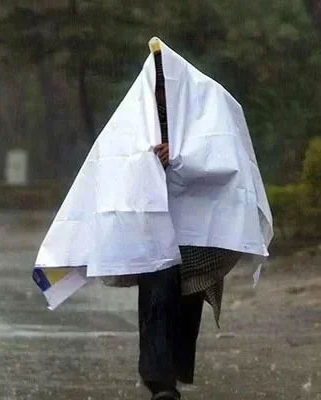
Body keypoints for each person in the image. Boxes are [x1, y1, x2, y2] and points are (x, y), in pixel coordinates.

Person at [32, 38, 273, 400]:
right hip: (156, 224)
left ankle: (171, 374)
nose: (160, 94)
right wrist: (148, 161)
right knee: (157, 293)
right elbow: (115, 159)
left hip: (198, 232)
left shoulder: (210, 101)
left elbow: (228, 156)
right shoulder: (138, 113)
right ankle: (160, 382)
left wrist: (181, 156)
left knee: (187, 298)